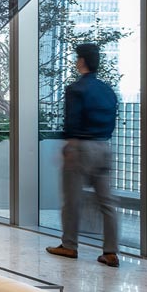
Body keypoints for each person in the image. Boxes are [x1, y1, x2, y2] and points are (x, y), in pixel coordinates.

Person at [48, 43, 121, 268]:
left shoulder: (75, 89)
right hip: (104, 147)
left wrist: (68, 147)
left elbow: (73, 120)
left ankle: (69, 245)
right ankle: (110, 252)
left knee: (72, 200)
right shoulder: (108, 90)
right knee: (107, 203)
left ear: (81, 62)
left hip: (81, 147)